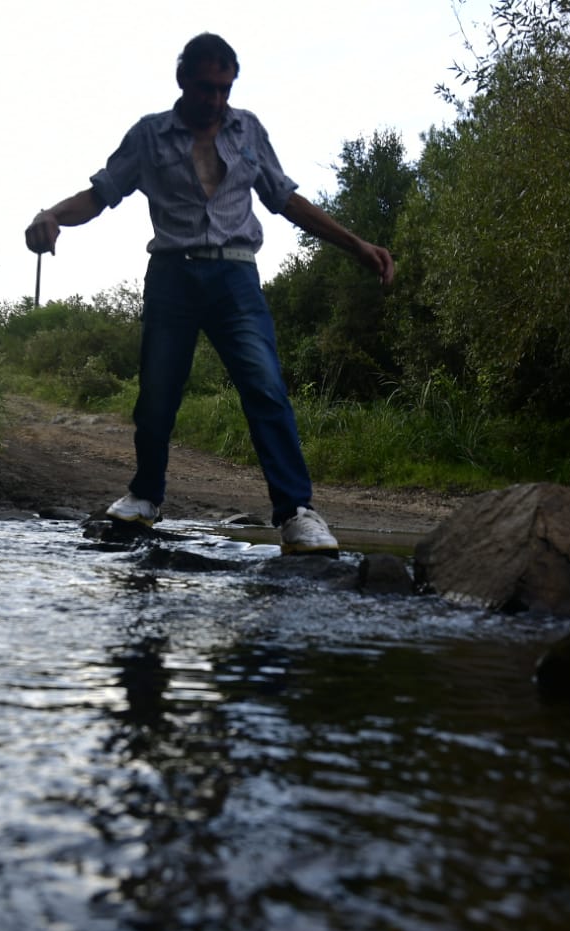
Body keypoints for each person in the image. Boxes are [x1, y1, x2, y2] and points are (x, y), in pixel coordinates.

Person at [24, 32, 395, 555]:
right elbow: (101, 193)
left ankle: (295, 513)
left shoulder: (248, 130)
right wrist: (52, 216)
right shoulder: (149, 136)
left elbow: (285, 199)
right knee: (157, 396)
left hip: (235, 277)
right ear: (183, 81)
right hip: (172, 276)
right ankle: (146, 496)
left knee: (265, 387)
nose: (215, 101)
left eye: (224, 89)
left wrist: (355, 244)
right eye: (205, 89)